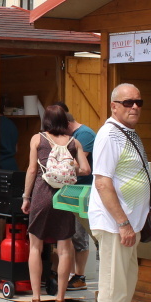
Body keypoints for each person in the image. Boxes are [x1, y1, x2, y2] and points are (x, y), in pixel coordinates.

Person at [89, 83, 151, 302]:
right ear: (113, 106)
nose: (134, 107)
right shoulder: (109, 135)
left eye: (139, 102)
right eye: (128, 102)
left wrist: (147, 184)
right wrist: (123, 224)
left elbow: (123, 174)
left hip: (128, 224)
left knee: (124, 287)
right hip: (116, 225)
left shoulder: (125, 133)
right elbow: (102, 182)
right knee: (113, 288)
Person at [21, 105, 90, 302]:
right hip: (65, 197)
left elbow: (32, 170)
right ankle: (60, 300)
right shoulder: (74, 142)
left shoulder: (37, 139)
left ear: (46, 121)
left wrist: (26, 197)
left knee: (35, 246)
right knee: (64, 248)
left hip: (42, 194)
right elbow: (86, 169)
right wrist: (70, 167)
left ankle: (36, 299)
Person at [52, 101, 96, 291]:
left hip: (82, 191)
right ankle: (64, 274)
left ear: (67, 125)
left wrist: (57, 168)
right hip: (67, 190)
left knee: (79, 235)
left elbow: (79, 165)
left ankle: (79, 276)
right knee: (65, 235)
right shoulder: (71, 136)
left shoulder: (84, 135)